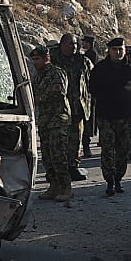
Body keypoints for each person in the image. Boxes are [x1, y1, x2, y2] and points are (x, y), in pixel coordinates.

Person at [89, 37, 131, 196]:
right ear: (109, 51)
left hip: (126, 115)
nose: (118, 52)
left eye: (120, 49)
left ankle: (119, 177)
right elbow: (93, 89)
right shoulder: (100, 68)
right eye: (114, 49)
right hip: (106, 115)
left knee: (124, 149)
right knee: (107, 148)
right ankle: (109, 180)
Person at [29, 45, 75, 204]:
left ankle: (66, 186)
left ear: (46, 58)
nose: (35, 62)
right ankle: (54, 185)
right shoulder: (37, 76)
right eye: (33, 59)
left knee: (58, 155)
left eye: (37, 59)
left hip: (58, 120)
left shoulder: (56, 72)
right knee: (47, 156)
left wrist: (39, 99)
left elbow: (58, 92)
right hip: (45, 120)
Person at [53, 33, 95, 181]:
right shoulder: (53, 60)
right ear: (62, 44)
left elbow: (94, 77)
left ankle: (73, 167)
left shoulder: (83, 61)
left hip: (78, 108)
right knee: (57, 141)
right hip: (58, 109)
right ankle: (56, 170)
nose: (74, 47)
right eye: (70, 44)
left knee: (75, 140)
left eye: (76, 44)